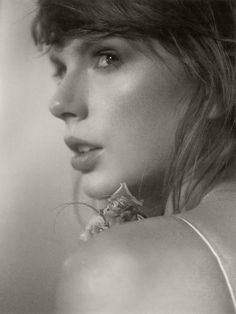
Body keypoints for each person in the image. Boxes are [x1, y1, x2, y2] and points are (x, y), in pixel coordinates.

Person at [32, 0, 236, 313]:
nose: (59, 103)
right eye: (60, 70)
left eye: (106, 57)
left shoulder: (123, 267)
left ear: (216, 82)